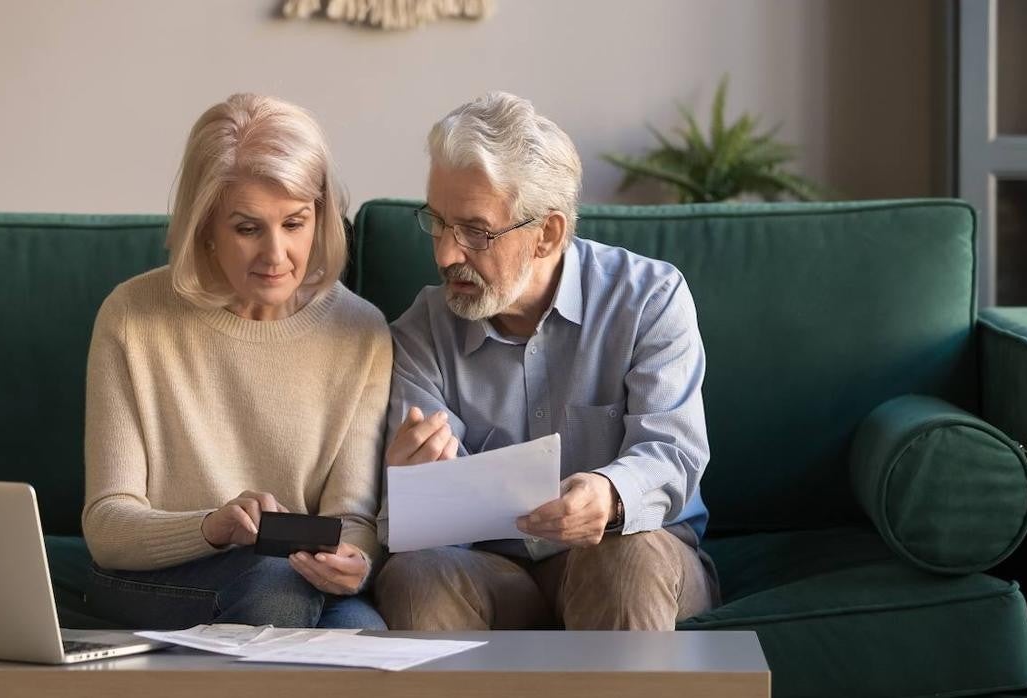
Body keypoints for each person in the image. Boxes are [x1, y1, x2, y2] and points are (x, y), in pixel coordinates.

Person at [374, 92, 719, 631]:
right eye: (437, 223)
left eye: (475, 231)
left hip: (633, 552)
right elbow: (409, 530)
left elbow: (673, 453)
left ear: (548, 234)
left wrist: (610, 495)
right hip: (492, 569)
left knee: (625, 558)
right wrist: (411, 486)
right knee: (417, 576)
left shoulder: (650, 298)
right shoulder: (421, 329)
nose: (445, 254)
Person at [82, 94, 391, 630]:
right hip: (162, 575)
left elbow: (353, 518)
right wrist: (212, 526)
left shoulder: (362, 332)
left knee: (364, 633)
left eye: (294, 223)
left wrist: (355, 562)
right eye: (248, 228)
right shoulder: (131, 317)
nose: (276, 255)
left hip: (299, 581)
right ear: (205, 225)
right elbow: (108, 526)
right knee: (274, 590)